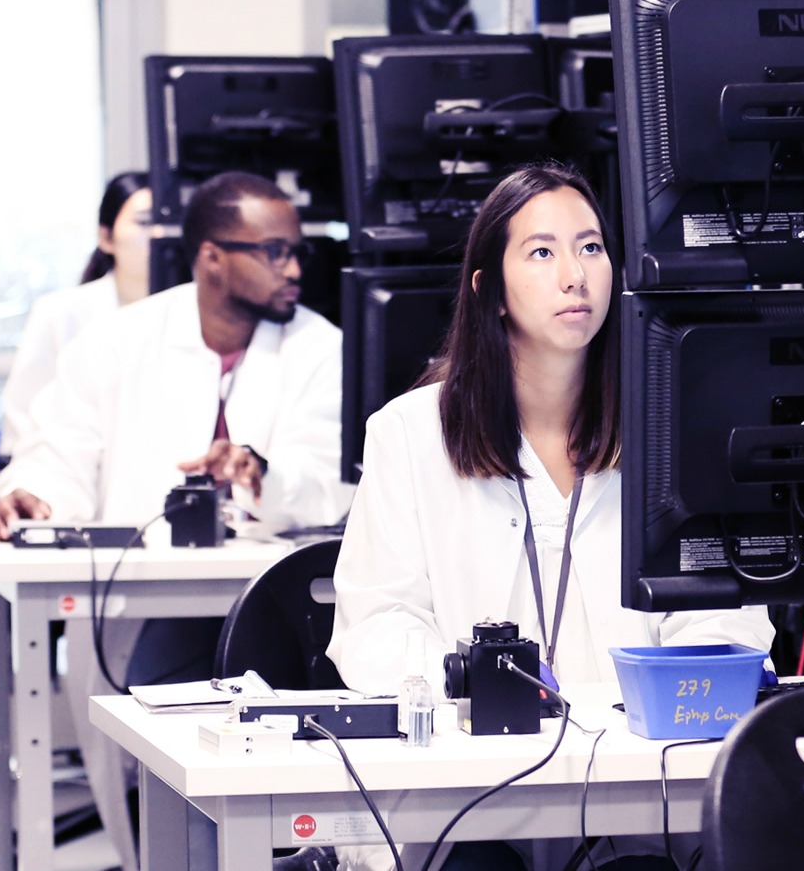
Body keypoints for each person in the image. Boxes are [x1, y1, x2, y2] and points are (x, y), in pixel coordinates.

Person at [326, 162, 775, 871]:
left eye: (591, 247)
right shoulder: (409, 434)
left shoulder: (671, 428)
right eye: (542, 252)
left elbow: (728, 614)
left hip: (644, 788)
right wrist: (477, 685)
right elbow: (375, 625)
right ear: (490, 291)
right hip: (472, 796)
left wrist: (673, 692)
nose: (576, 275)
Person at [0, 170, 356, 871]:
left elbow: (332, 482)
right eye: (273, 251)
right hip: (144, 604)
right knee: (154, 787)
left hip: (272, 606)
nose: (295, 268)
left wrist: (262, 475)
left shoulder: (321, 347)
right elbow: (59, 453)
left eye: (296, 249)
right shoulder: (116, 342)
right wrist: (35, 493)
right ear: (212, 256)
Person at [0, 171, 152, 455]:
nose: (158, 234)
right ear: (106, 237)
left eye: (168, 224)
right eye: (144, 222)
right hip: (70, 479)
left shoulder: (195, 315)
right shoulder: (60, 313)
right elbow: (23, 414)